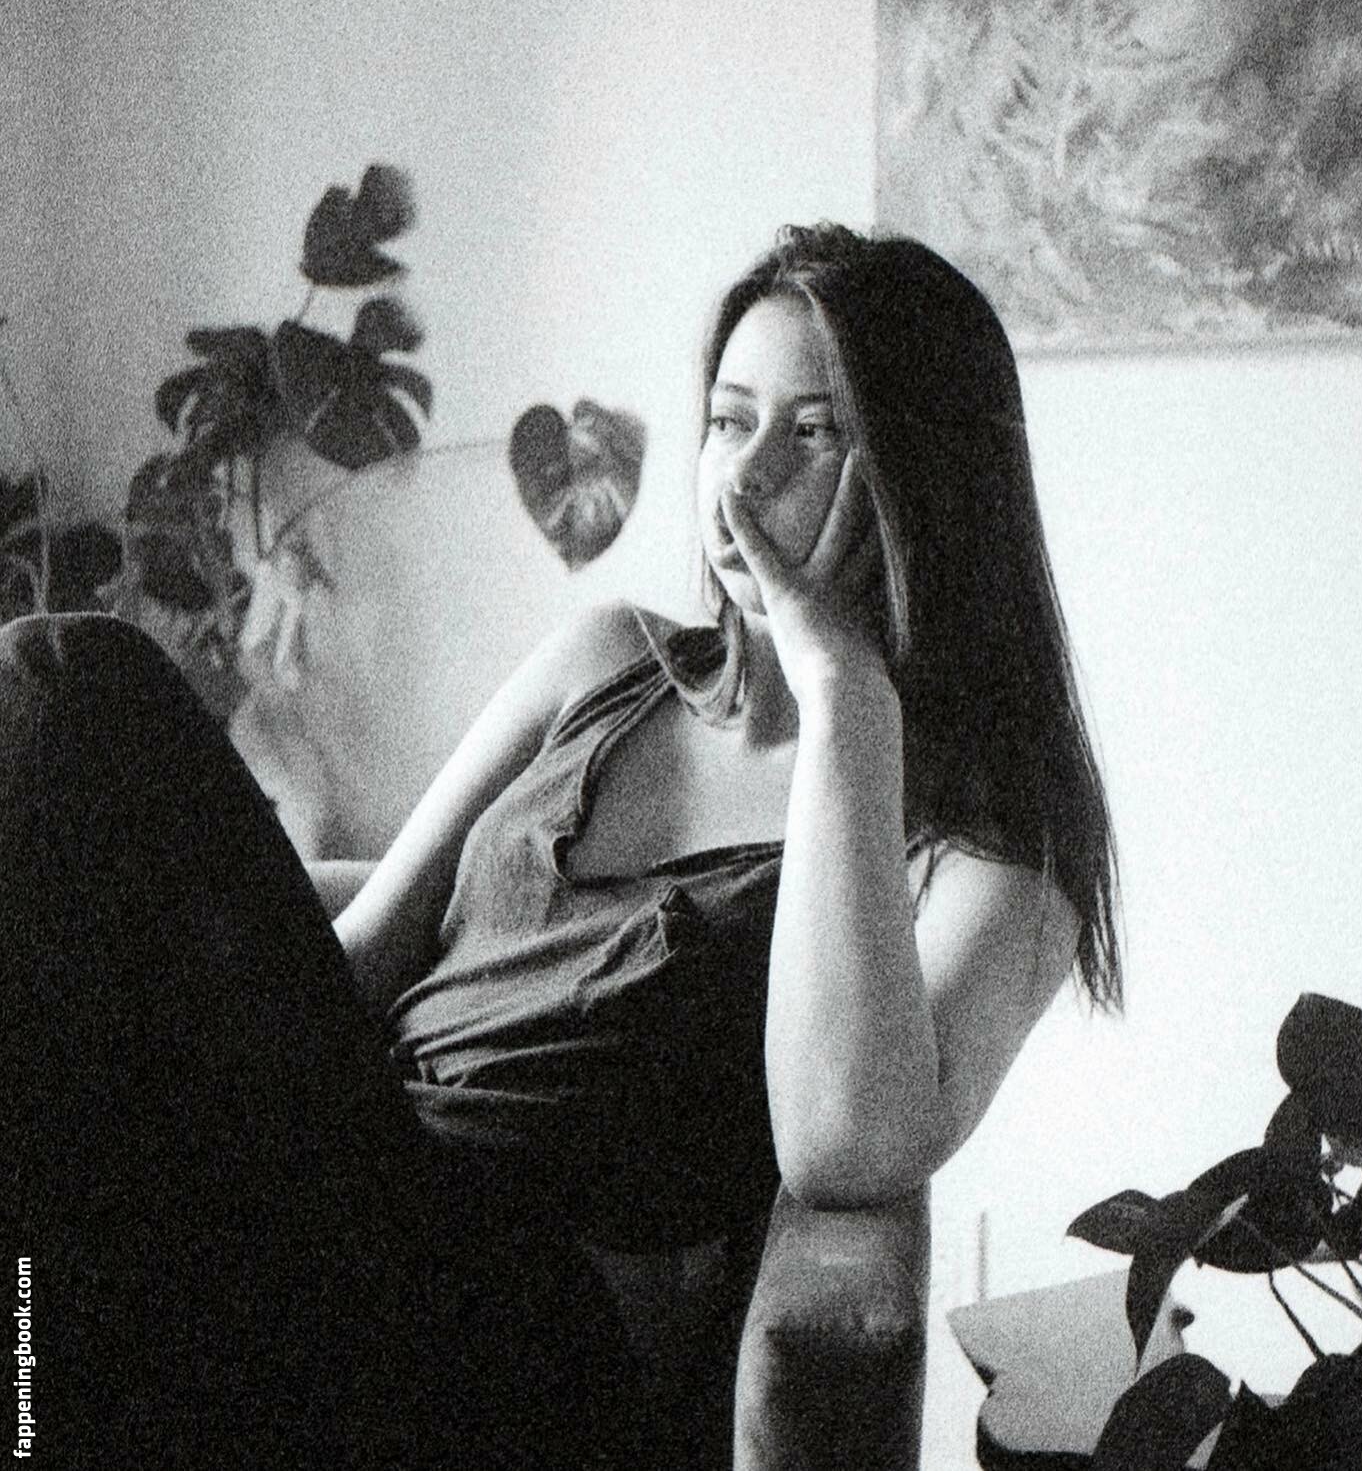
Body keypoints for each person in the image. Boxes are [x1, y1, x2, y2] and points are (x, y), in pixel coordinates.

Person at [3, 223, 1120, 1470]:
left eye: (812, 433)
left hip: (493, 1318)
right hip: (336, 1163)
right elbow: (363, 954)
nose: (743, 476)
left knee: (73, 673)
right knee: (61, 721)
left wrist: (844, 693)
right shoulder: (606, 658)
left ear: (925, 480)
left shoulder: (990, 856)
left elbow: (840, 1144)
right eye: (728, 419)